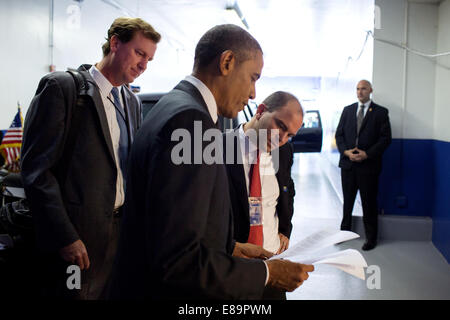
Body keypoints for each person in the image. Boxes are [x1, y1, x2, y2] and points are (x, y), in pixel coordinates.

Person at [109, 24, 313, 300]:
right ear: (227, 62)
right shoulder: (193, 124)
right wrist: (268, 274)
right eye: (252, 78)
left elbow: (172, 226)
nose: (253, 93)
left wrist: (228, 247)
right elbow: (179, 261)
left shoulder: (173, 106)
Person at [20, 17, 161, 299]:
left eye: (150, 58)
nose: (144, 64)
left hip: (118, 238)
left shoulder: (132, 102)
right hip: (76, 240)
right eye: (139, 53)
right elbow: (37, 172)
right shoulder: (63, 89)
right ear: (115, 44)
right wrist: (65, 236)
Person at [223, 91, 303, 299]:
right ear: (260, 111)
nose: (282, 139)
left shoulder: (283, 152)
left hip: (274, 264)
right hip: (235, 268)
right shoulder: (218, 149)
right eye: (281, 126)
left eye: (290, 135)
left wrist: (285, 228)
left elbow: (287, 190)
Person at [335, 80, 392, 251]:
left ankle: (371, 239)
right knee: (347, 202)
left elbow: (385, 139)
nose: (360, 92)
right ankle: (344, 233)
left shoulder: (381, 112)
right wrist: (346, 152)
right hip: (348, 165)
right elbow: (339, 135)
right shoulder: (348, 110)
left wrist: (367, 154)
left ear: (370, 90)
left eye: (363, 89)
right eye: (358, 89)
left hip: (368, 167)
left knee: (369, 203)